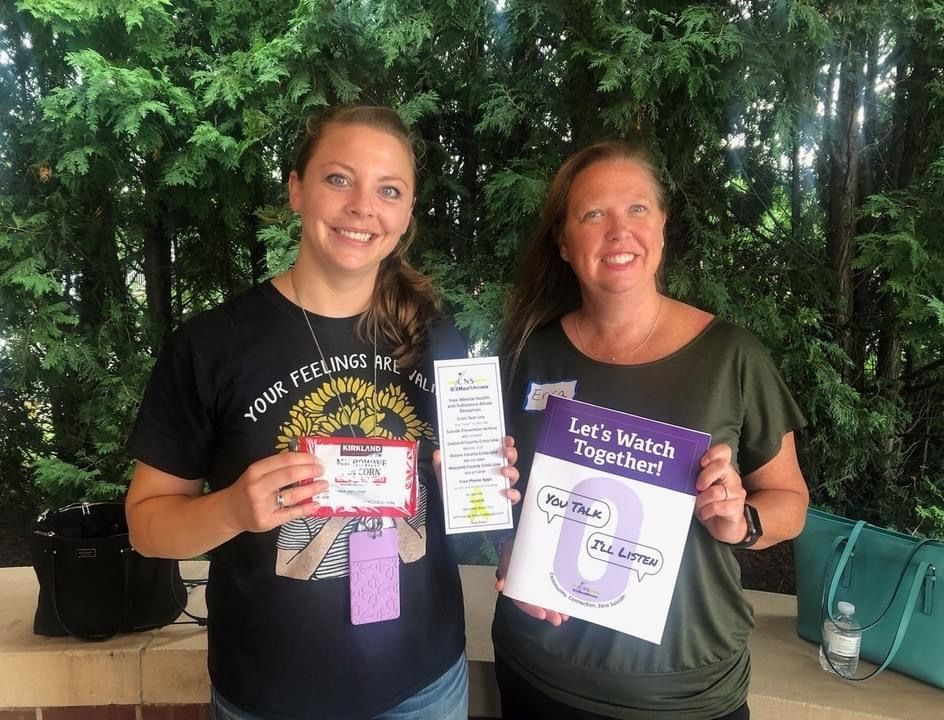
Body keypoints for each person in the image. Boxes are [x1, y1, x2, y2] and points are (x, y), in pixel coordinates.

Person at [125, 105, 519, 720]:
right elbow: (146, 527)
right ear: (296, 189)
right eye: (339, 178)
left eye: (389, 190)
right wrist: (229, 508)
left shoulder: (435, 337)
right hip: (269, 695)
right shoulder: (211, 346)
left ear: (406, 213)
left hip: (420, 688)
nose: (364, 206)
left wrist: (479, 487)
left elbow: (474, 503)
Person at [491, 141, 809, 720]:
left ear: (662, 225)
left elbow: (792, 501)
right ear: (564, 242)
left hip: (684, 693)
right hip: (539, 672)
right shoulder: (530, 355)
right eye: (593, 214)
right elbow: (505, 494)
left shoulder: (730, 356)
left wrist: (742, 521)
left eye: (637, 209)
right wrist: (509, 546)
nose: (619, 231)